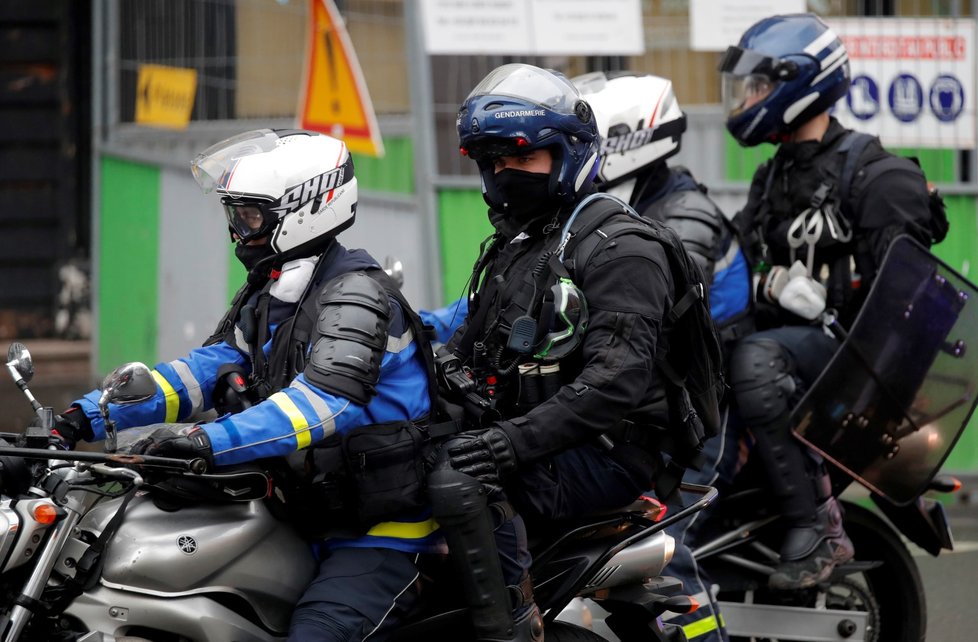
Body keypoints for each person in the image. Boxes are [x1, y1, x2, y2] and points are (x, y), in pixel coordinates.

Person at [50, 129, 442, 640]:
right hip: (300, 515)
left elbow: (321, 405)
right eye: (235, 215)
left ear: (307, 209)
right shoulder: (274, 289)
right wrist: (82, 417)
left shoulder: (357, 296)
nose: (240, 231)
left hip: (380, 535)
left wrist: (203, 442)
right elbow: (201, 372)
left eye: (252, 216)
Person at [438, 62, 718, 634]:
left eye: (521, 157)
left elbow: (615, 379)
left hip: (608, 450)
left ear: (567, 154)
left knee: (451, 479)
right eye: (494, 161)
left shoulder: (622, 248)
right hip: (540, 434)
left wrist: (507, 442)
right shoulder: (523, 244)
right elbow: (469, 345)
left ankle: (511, 625)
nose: (505, 173)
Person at [719, 13, 939, 589]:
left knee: (755, 360)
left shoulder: (875, 174)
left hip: (855, 361)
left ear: (801, 83)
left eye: (759, 86)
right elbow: (740, 261)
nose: (747, 99)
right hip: (797, 348)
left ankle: (818, 525)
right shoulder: (772, 177)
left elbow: (909, 305)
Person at [571, 70, 752, 642]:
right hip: (655, 398)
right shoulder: (617, 210)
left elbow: (638, 314)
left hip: (700, 404)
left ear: (627, 143)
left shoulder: (684, 217)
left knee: (657, 543)